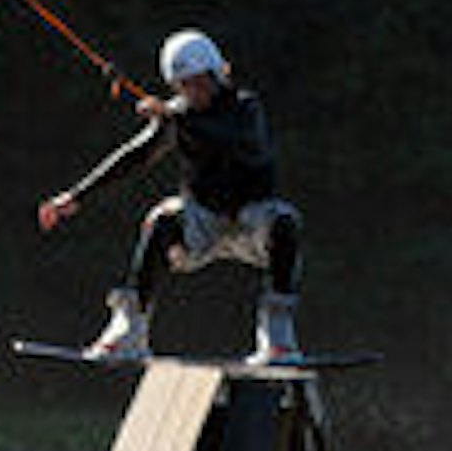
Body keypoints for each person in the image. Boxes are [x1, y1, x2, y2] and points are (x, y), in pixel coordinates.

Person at [38, 29, 303, 364]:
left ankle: (278, 338)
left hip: (251, 222)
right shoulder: (178, 114)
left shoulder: (244, 107)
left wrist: (173, 115)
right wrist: (77, 195)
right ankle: (130, 329)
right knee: (162, 220)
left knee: (285, 221)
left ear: (217, 74)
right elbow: (136, 155)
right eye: (184, 85)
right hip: (201, 223)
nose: (193, 92)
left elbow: (230, 139)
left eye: (199, 82)